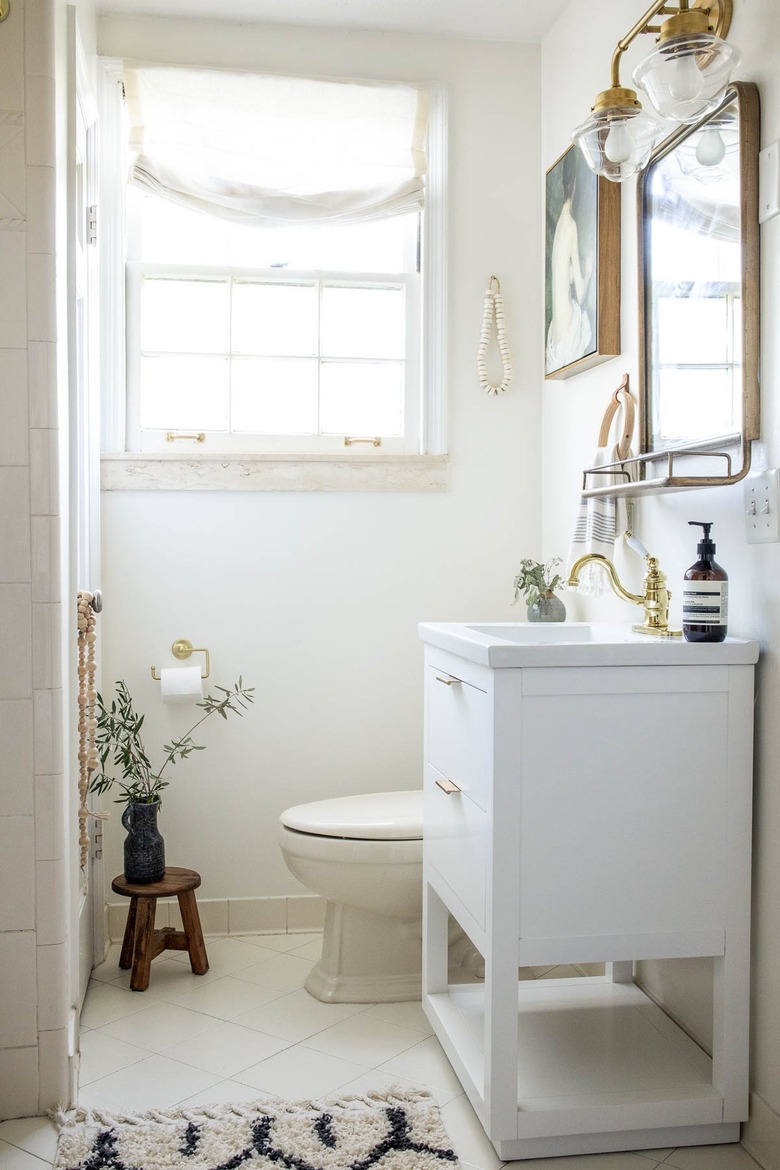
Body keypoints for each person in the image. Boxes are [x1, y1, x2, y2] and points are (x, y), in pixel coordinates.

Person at [546, 149, 594, 372]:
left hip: (555, 330)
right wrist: (590, 268)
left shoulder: (558, 228)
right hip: (567, 329)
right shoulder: (571, 225)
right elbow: (581, 291)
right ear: (574, 186)